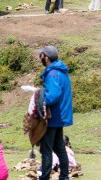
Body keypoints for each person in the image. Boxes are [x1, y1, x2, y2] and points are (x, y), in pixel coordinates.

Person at [37, 45, 73, 180]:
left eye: (41, 55)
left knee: (46, 149)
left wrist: (39, 99)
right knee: (59, 148)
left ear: (46, 57)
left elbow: (53, 95)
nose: (40, 58)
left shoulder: (52, 73)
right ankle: (64, 176)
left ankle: (44, 177)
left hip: (54, 116)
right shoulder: (61, 71)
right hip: (61, 116)